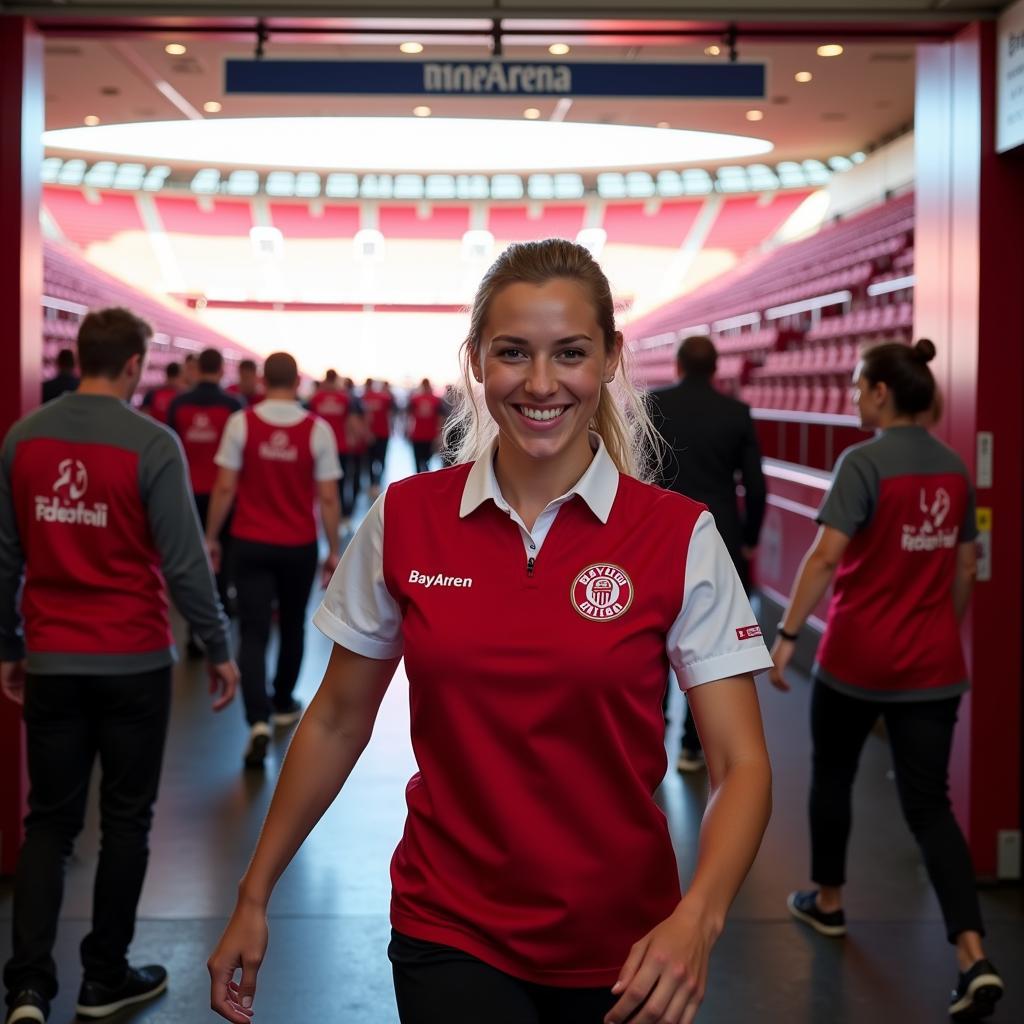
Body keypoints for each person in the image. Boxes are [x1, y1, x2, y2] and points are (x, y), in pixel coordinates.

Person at [208, 240, 773, 1024]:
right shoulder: (405, 519)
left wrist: (699, 919)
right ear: (476, 360)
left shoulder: (680, 535)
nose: (541, 384)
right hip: (449, 926)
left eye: (570, 354)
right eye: (513, 354)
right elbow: (338, 718)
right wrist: (255, 891)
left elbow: (741, 762)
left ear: (609, 358)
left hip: (629, 946)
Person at [0, 307, 239, 1024]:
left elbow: (5, 555)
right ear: (135, 366)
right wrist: (219, 648)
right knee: (126, 823)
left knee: (50, 823)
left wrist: (9, 645)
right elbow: (187, 564)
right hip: (133, 660)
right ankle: (104, 978)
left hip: (50, 659)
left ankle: (27, 988)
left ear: (78, 356)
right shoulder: (150, 442)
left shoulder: (23, 439)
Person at [769, 338, 1004, 1021]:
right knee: (931, 808)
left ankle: (831, 902)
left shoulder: (862, 462)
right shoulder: (956, 469)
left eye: (854, 385)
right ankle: (972, 956)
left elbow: (822, 557)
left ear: (878, 393)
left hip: (855, 661)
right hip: (934, 668)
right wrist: (938, 626)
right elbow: (964, 570)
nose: (848, 395)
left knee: (833, 776)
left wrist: (787, 638)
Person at [203, 352, 342, 770]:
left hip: (249, 542)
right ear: (298, 381)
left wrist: (211, 536)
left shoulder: (241, 423)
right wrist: (332, 549)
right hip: (297, 545)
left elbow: (225, 488)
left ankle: (257, 719)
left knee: (253, 630)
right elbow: (329, 497)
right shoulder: (317, 430)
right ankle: (283, 702)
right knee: (294, 623)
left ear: (262, 380)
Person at [648, 335, 767, 775]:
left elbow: (634, 471)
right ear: (715, 369)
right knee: (711, 650)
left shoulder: (655, 406)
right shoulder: (736, 413)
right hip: (719, 537)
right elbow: (755, 486)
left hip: (656, 536)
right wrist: (750, 536)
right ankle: (692, 747)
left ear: (678, 366)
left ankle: (651, 739)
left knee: (651, 637)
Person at [167, 347, 244, 653]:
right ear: (222, 370)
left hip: (186, 494)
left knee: (189, 563)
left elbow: (171, 449)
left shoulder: (179, 403)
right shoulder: (232, 405)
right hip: (222, 496)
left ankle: (191, 634)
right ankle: (219, 627)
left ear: (197, 368)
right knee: (222, 562)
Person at [308, 370, 364, 533]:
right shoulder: (345, 398)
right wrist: (356, 439)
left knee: (318, 485)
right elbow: (353, 423)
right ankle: (342, 517)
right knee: (340, 485)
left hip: (318, 448)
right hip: (341, 448)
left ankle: (318, 517)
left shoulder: (316, 398)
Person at [360, 378, 395, 499]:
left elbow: (364, 418)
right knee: (380, 459)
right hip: (382, 433)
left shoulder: (364, 397)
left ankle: (373, 483)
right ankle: (377, 483)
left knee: (371, 460)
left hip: (374, 434)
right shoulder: (384, 397)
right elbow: (390, 415)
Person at [406, 378, 446, 473]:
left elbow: (408, 417)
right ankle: (424, 478)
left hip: (421, 435)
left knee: (419, 461)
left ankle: (419, 479)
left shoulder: (415, 399)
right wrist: (439, 433)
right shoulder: (435, 400)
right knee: (427, 461)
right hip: (426, 434)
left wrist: (407, 430)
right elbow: (441, 418)